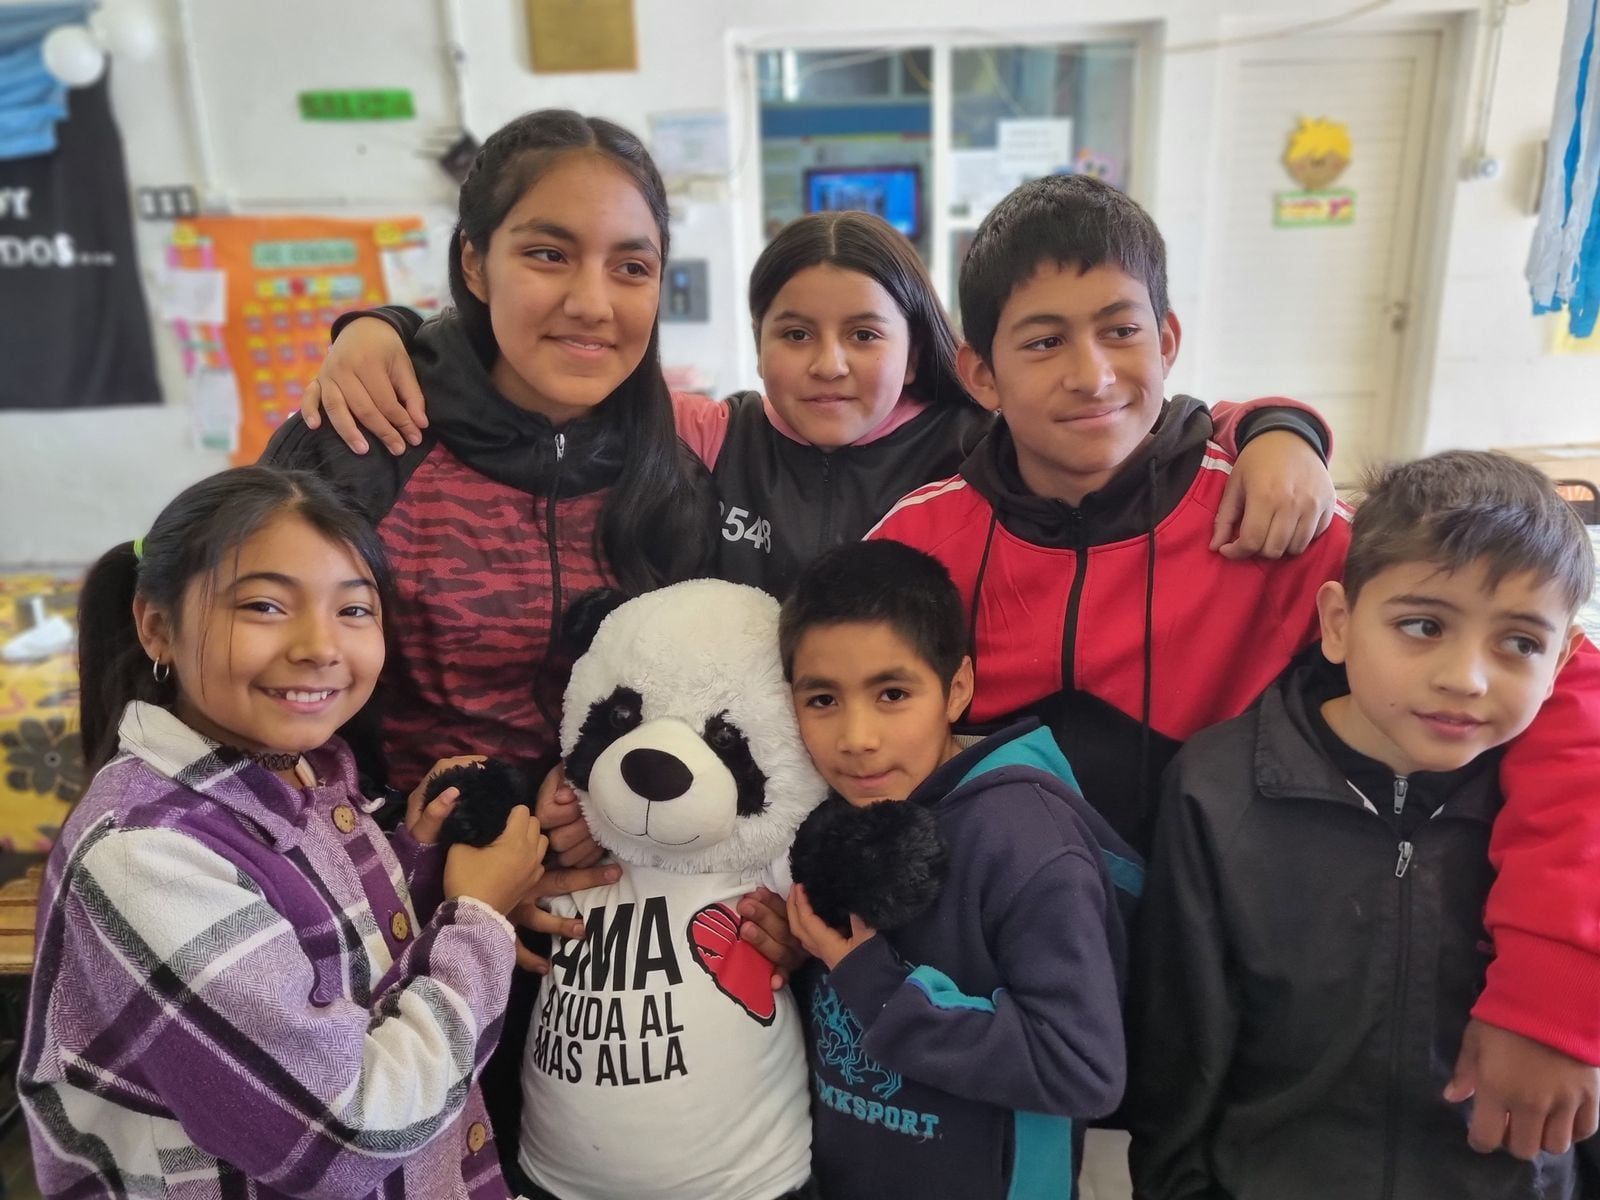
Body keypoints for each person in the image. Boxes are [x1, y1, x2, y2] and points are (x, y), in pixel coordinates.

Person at [869, 171, 1600, 1157]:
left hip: (1234, 1041)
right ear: (981, 373)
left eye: (1120, 330)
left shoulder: (1276, 520)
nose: (1091, 374)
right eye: (1043, 340)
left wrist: (1553, 986)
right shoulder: (920, 547)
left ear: (1167, 341)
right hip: (1005, 1030)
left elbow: (1562, 681)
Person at [301, 212, 1337, 601]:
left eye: (865, 335)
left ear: (932, 349)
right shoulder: (708, 432)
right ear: (756, 345)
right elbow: (532, 372)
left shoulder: (981, 434)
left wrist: (1282, 431)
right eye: (795, 334)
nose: (829, 364)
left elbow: (1161, 416)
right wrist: (384, 328)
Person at [21, 466, 549, 1199]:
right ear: (156, 627)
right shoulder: (143, 852)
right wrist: (478, 920)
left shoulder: (301, 775)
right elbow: (349, 1133)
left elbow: (319, 957)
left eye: (355, 611)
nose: (319, 646)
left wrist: (416, 865)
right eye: (266, 605)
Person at [1128, 451, 1597, 1199]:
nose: (1465, 677)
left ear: (1565, 658)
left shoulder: (1570, 822)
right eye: (1422, 625)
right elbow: (1179, 1057)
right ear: (1339, 624)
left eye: (1519, 643)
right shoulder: (1217, 792)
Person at [262, 109, 716, 795]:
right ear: (475, 262)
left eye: (631, 266)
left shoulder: (672, 476)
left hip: (614, 865)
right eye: (548, 255)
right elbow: (263, 689)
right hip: (385, 867)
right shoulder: (363, 438)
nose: (593, 302)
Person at [782, 539, 1136, 1200]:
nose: (856, 738)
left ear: (958, 689)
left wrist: (879, 989)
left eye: (891, 693)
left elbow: (1082, 1069)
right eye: (823, 700)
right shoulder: (836, 816)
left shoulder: (1027, 843)